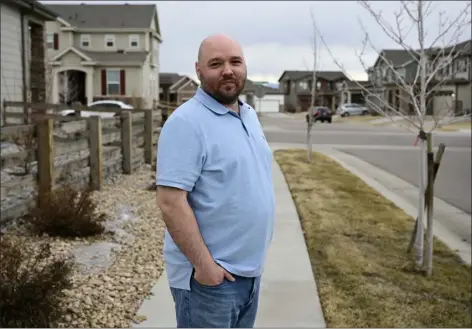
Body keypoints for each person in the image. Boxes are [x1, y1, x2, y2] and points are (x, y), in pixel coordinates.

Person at [155, 34, 275, 328]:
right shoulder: (187, 123)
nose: (228, 70)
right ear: (198, 71)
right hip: (210, 284)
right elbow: (170, 202)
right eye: (215, 63)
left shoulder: (247, 115)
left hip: (248, 275)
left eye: (235, 61)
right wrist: (206, 268)